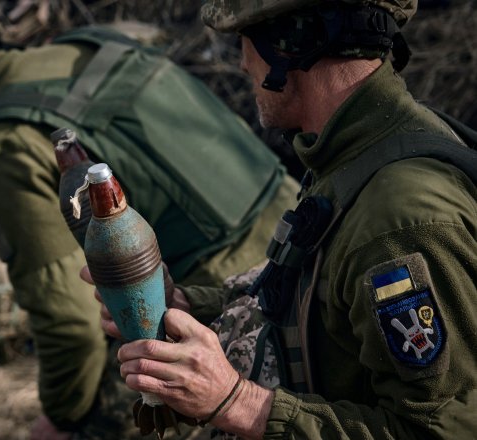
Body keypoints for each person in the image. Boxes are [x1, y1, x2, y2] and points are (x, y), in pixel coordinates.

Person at [0, 1, 300, 439]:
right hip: (300, 241)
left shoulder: (4, 145)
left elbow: (70, 325)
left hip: (224, 299)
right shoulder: (92, 46)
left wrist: (60, 418)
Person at [92, 0, 477, 438]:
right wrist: (186, 308)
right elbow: (322, 312)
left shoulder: (400, 218)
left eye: (246, 38)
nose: (241, 62)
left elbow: (441, 431)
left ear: (291, 44)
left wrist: (238, 402)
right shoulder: (354, 153)